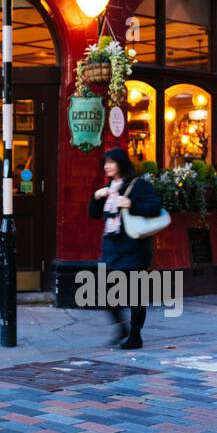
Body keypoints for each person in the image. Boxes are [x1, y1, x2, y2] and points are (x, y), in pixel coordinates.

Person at [89, 147, 164, 350]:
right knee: (101, 291)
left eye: (111, 162)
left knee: (135, 295)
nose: (107, 166)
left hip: (134, 248)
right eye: (105, 163)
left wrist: (131, 204)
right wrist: (96, 196)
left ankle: (135, 335)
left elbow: (156, 207)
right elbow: (94, 214)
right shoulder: (109, 187)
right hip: (112, 247)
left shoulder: (139, 185)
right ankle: (122, 328)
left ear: (122, 163)